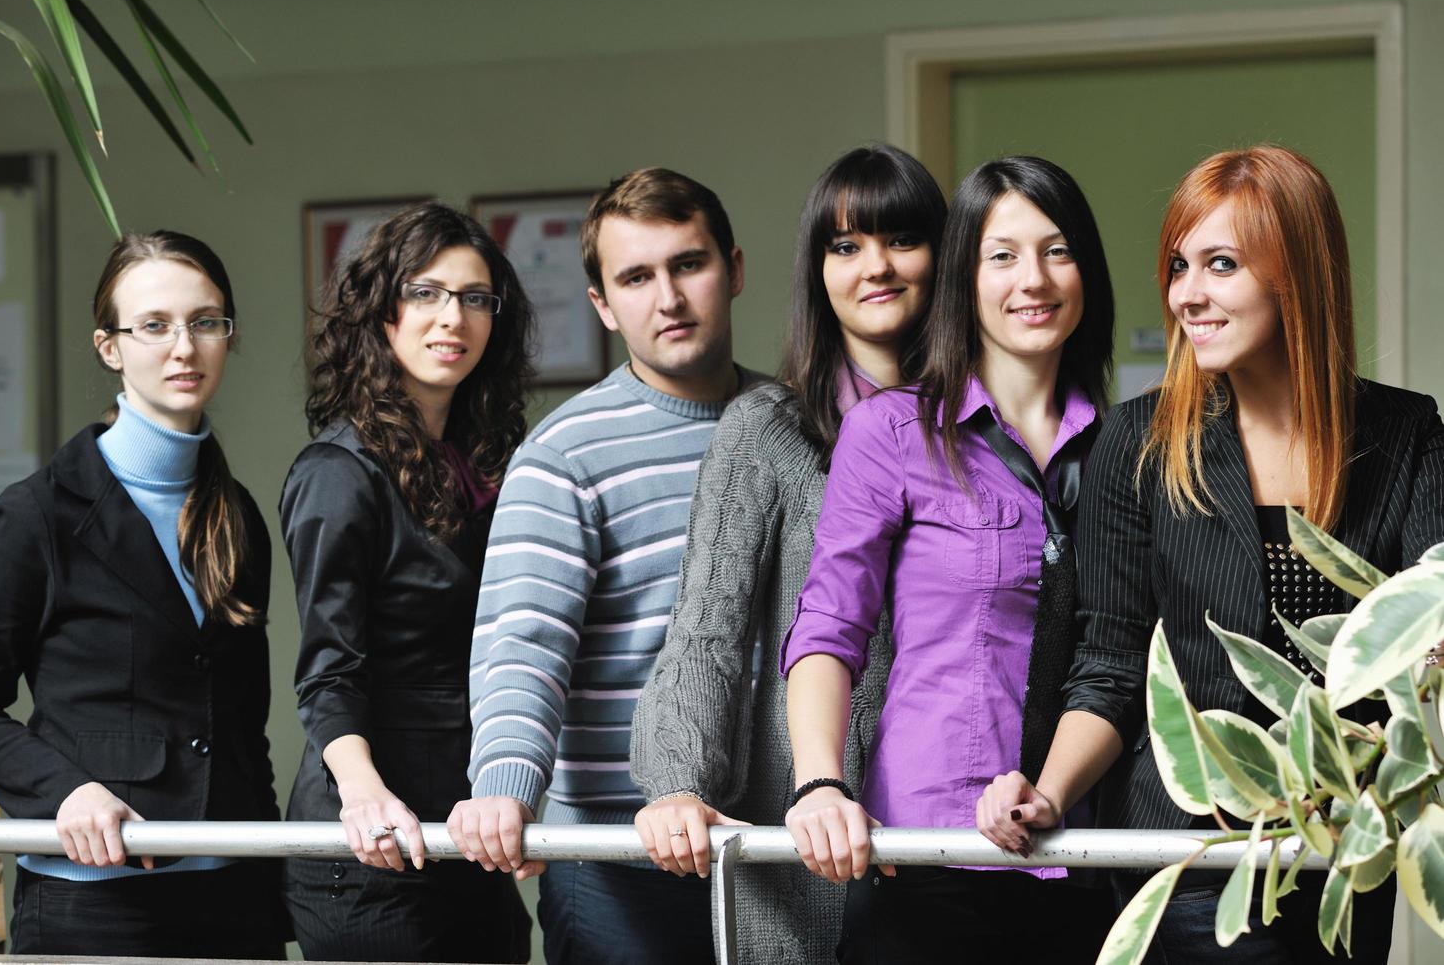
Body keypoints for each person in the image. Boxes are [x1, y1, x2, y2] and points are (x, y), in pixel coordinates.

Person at [976, 145, 1444, 963]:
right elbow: (1114, 660)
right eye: (1178, 266)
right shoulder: (1138, 441)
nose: (1188, 293)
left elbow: (1428, 618)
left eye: (1220, 265)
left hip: (1345, 847)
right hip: (1189, 849)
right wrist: (1046, 793)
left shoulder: (1405, 435)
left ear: (1295, 274)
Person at [781, 156, 1117, 963]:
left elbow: (1124, 653)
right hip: (929, 853)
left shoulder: (1126, 450)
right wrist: (821, 782)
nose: (1031, 280)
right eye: (1001, 256)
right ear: (964, 277)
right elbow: (830, 624)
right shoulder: (892, 433)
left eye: (1057, 250)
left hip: (1090, 855)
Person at [628, 144, 945, 962]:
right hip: (801, 848)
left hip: (957, 851)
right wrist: (679, 787)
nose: (874, 266)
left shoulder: (983, 433)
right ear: (816, 270)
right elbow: (705, 633)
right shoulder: (765, 431)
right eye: (844, 246)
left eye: (900, 240)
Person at [455, 167, 766, 964]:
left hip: (776, 851)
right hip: (616, 864)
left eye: (687, 265)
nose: (667, 297)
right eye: (636, 277)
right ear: (602, 302)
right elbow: (523, 645)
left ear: (733, 269)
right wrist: (504, 788)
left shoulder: (798, 430)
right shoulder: (564, 455)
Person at [0, 232, 285, 958]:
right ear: (109, 346)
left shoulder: (236, 513)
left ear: (227, 338)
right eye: (154, 325)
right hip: (92, 896)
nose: (184, 347)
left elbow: (243, 726)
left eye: (205, 322)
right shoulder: (37, 514)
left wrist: (276, 891)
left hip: (232, 896)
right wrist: (65, 792)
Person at [281, 202, 533, 963]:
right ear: (382, 313)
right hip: (370, 845)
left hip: (466, 835)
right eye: (424, 292)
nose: (451, 316)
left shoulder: (483, 463)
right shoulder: (337, 473)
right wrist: (363, 791)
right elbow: (329, 670)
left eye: (474, 297)